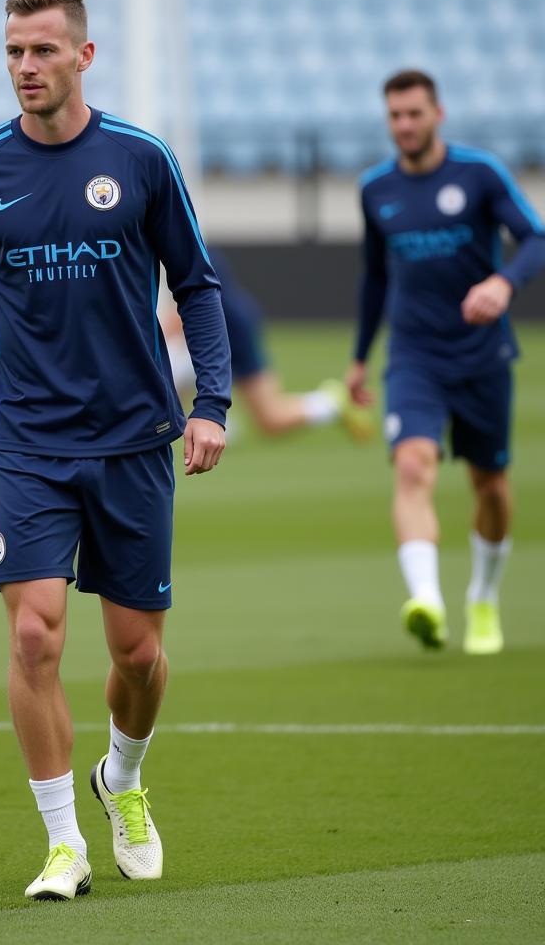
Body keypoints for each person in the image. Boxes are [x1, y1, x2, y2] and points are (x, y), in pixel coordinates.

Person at [0, 0, 231, 901]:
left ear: (83, 57)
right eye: (14, 51)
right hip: (27, 442)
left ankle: (122, 779)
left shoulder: (140, 159)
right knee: (33, 637)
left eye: (43, 51)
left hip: (135, 434)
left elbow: (198, 285)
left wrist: (211, 402)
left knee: (137, 655)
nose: (25, 67)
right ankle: (63, 844)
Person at [347, 68, 544, 655]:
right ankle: (426, 600)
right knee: (412, 468)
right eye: (395, 116)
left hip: (482, 355)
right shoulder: (375, 189)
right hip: (414, 357)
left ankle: (482, 595)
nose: (405, 125)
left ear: (438, 115)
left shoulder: (478, 174)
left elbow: (535, 237)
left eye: (415, 113)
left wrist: (504, 284)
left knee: (490, 485)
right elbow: (376, 278)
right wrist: (359, 358)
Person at [163, 248, 373, 440]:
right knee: (164, 392)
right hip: (215, 329)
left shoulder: (179, 242)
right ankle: (215, 423)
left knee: (270, 419)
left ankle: (333, 402)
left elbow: (187, 311)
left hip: (232, 329)